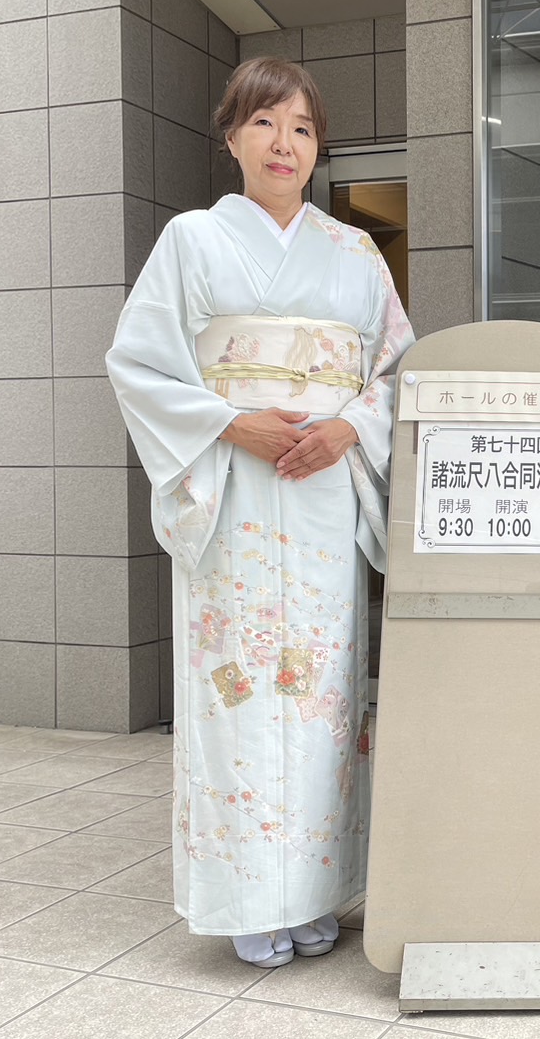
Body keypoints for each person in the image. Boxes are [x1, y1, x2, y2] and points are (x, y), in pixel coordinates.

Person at [106, 57, 414, 968]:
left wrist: (349, 428)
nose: (285, 144)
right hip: (232, 489)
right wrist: (227, 422)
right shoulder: (191, 239)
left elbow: (397, 366)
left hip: (320, 490)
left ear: (319, 148)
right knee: (235, 690)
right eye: (266, 123)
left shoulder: (354, 253)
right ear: (232, 135)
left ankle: (316, 891)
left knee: (322, 692)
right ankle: (247, 896)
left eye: (303, 128)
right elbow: (137, 362)